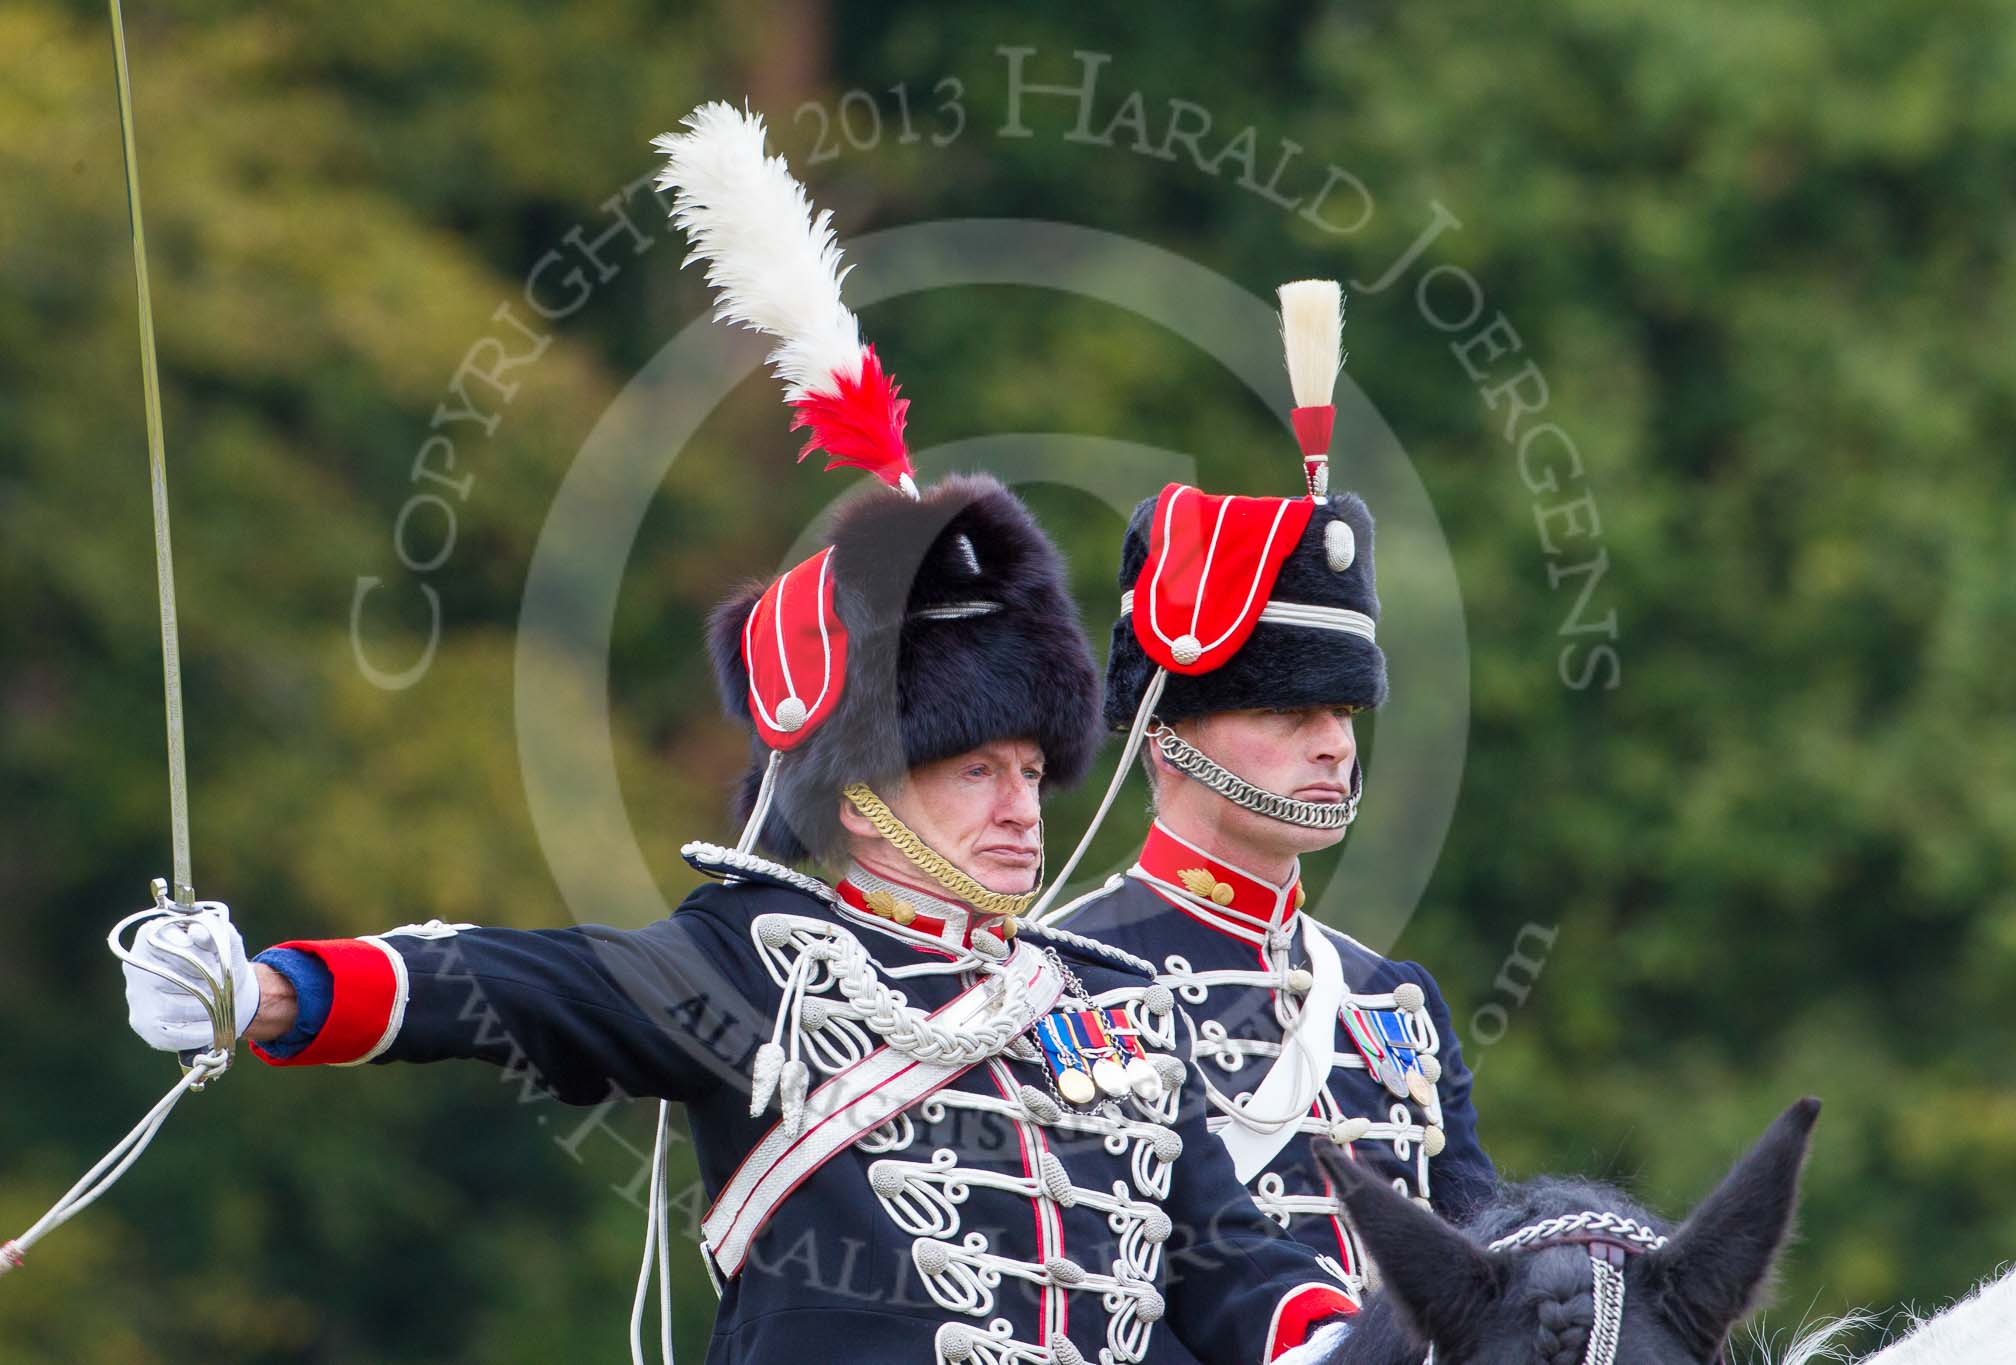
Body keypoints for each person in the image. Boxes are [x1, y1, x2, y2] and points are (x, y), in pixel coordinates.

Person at [119, 103, 1364, 1365]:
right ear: (866, 794)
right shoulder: (763, 964)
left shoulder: (1112, 1006)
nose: (1019, 808)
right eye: (975, 770)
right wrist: (268, 991)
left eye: (1032, 771)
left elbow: (1236, 1267)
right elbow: (514, 986)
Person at [1041, 280, 1496, 1303]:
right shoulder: (1060, 982)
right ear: (1166, 740)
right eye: (1289, 716)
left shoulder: (1392, 1005)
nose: (1332, 746)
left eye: (1341, 715)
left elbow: (1476, 1282)